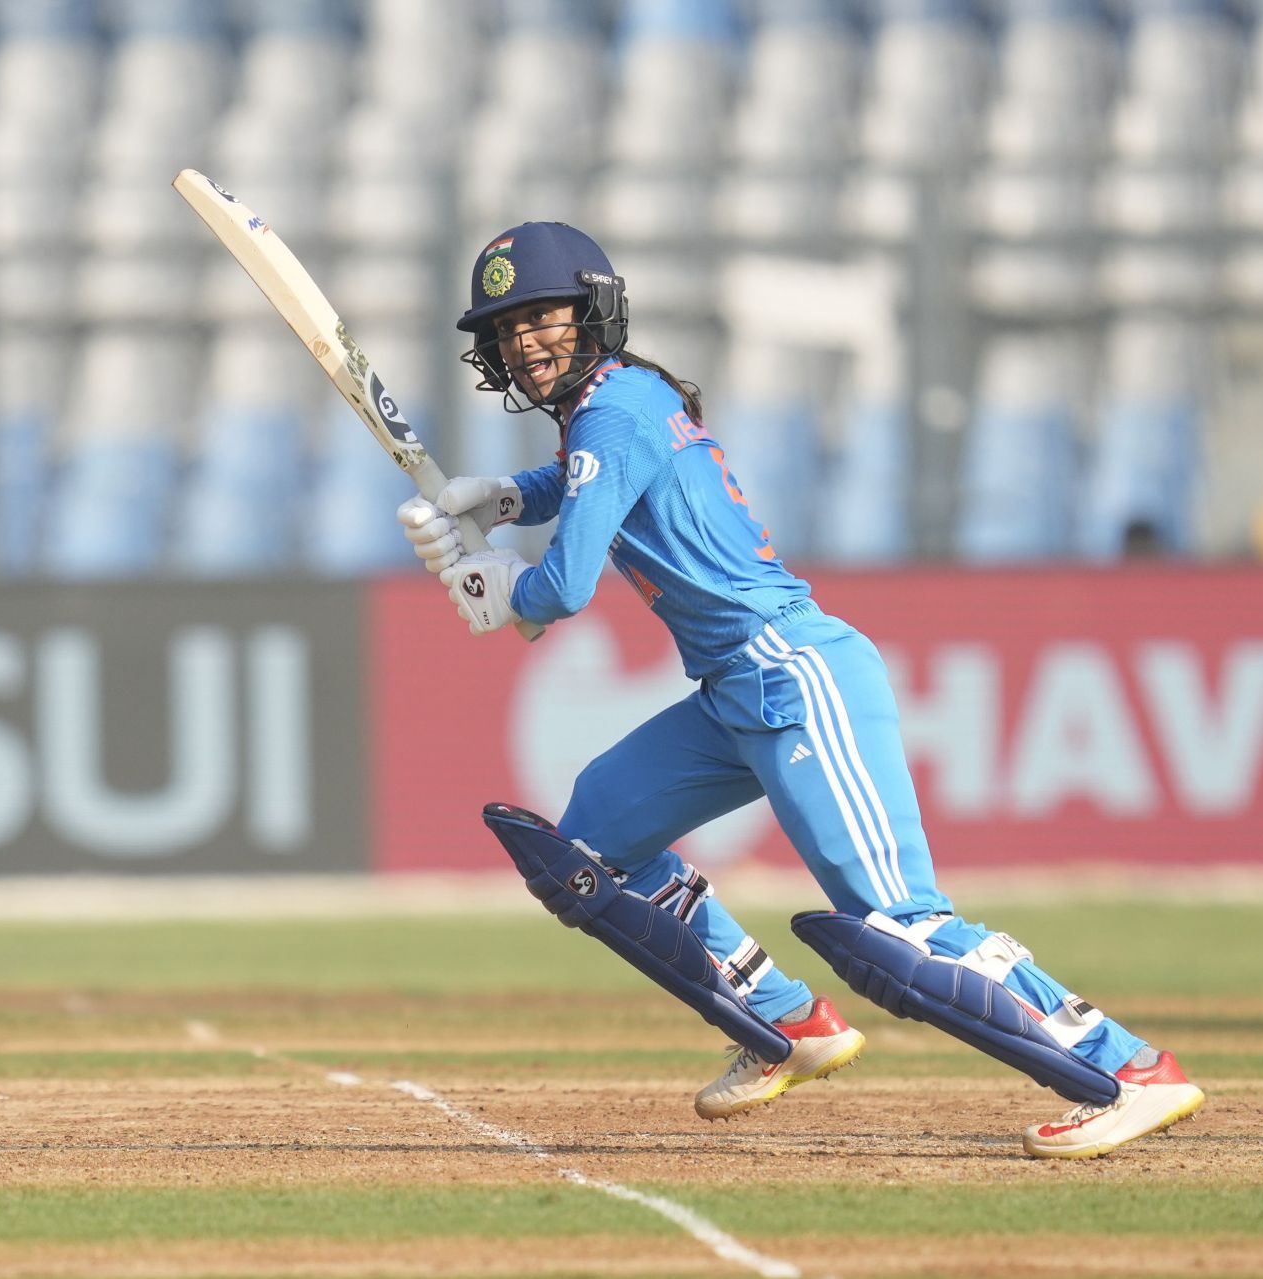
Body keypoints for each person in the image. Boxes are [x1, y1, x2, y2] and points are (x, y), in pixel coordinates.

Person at [396, 222, 1205, 1160]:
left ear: (593, 311)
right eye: (507, 327)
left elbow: (562, 590)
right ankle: (784, 1017)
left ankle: (1130, 1067)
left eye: (543, 315)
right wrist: (500, 499)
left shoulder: (613, 410)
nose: (526, 340)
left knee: (899, 925)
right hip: (734, 689)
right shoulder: (616, 408)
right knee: (594, 839)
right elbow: (582, 490)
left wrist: (496, 590)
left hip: (791, 670)